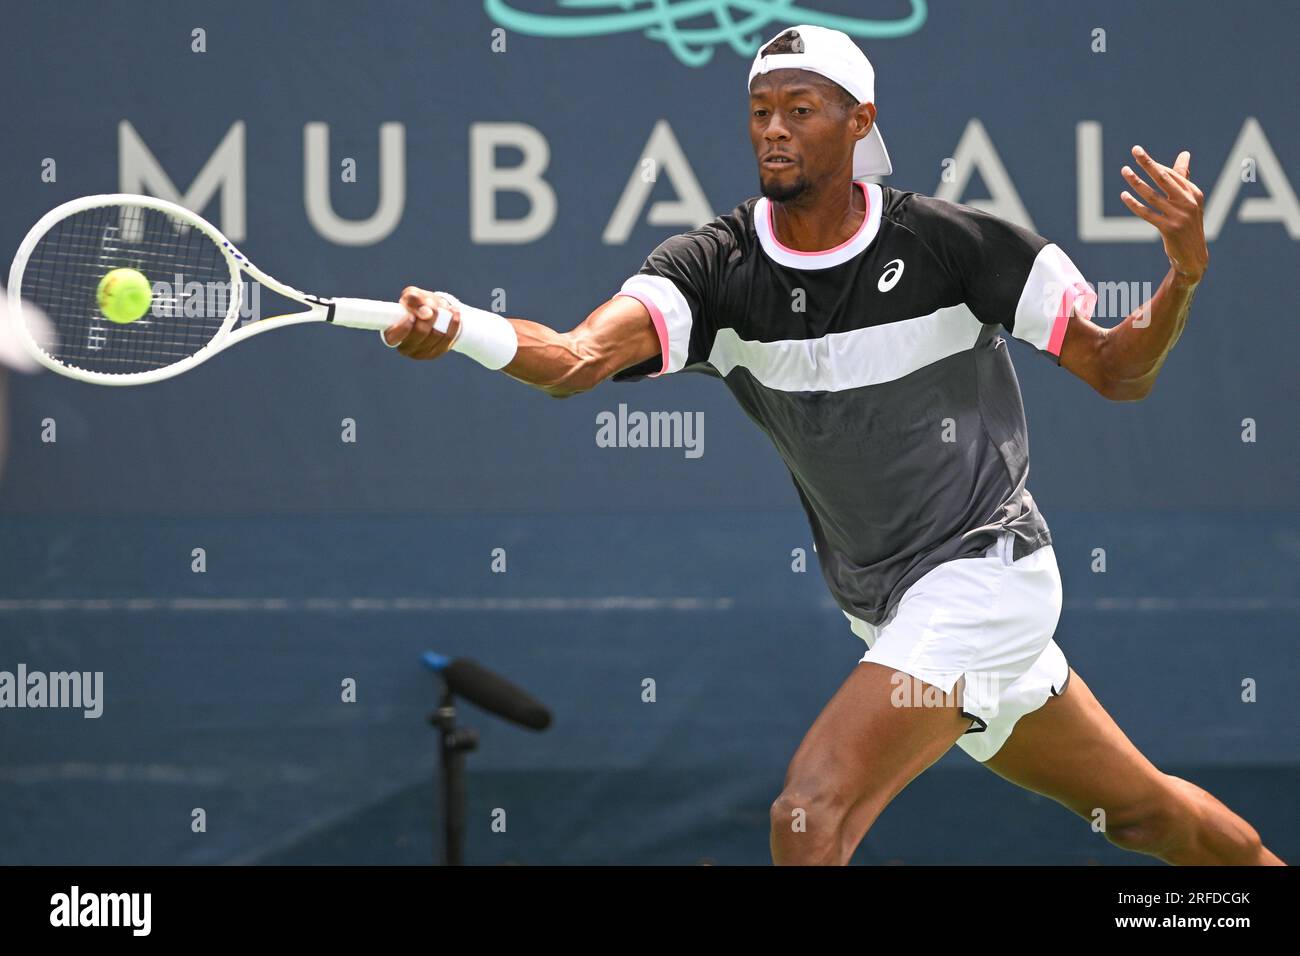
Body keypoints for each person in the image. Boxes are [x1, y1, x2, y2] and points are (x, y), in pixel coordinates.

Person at [381, 25, 1282, 865]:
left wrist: (1184, 275)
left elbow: (1119, 373)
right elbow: (577, 358)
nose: (774, 130)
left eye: (800, 111)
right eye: (760, 112)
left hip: (984, 574)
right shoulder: (715, 270)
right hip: (895, 609)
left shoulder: (956, 246)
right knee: (1145, 814)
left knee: (809, 813)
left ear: (861, 121)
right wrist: (459, 324)